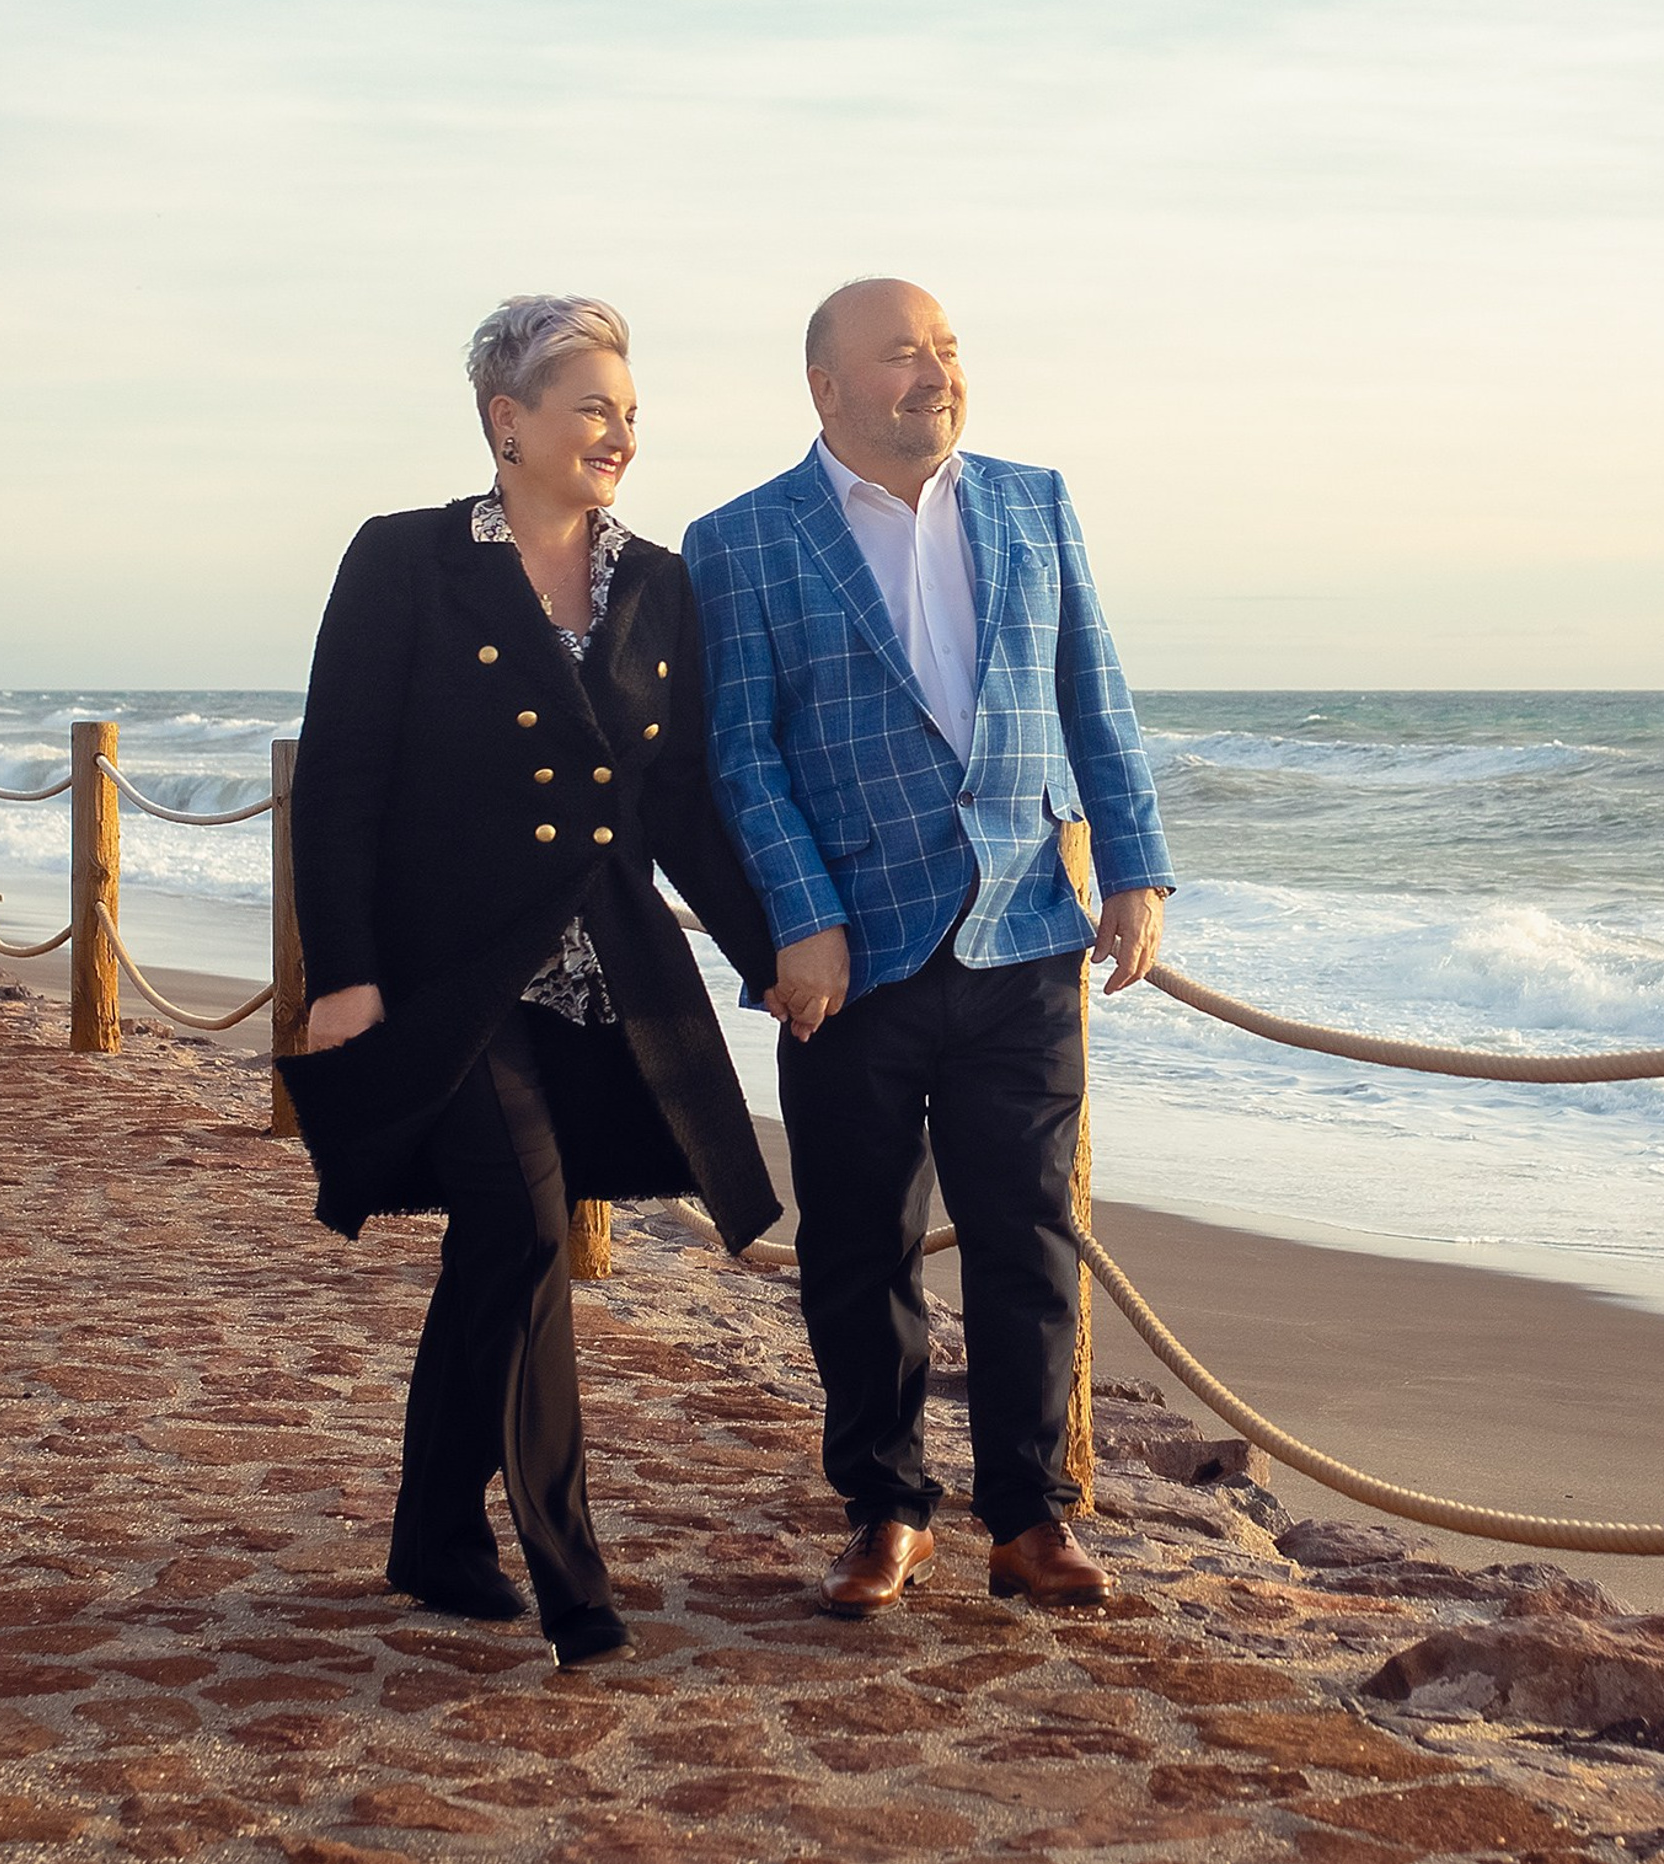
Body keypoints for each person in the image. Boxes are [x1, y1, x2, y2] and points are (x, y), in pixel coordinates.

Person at [278, 294, 783, 1668]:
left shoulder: (659, 582)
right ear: (508, 421)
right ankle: (572, 1582)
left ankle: (434, 1526)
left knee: (516, 1239)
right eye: (593, 406)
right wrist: (346, 975)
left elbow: (674, 802)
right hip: (449, 980)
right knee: (518, 1224)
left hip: (601, 982)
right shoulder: (405, 562)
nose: (622, 430)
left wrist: (774, 952)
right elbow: (339, 785)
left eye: (630, 409)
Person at [684, 277, 1173, 1617]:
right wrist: (804, 918)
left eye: (947, 349)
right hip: (848, 961)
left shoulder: (1033, 501)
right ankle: (886, 1510)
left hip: (1022, 933)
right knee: (856, 1248)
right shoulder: (740, 540)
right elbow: (742, 749)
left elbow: (1095, 694)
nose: (933, 373)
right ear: (827, 386)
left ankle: (1032, 1519)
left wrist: (1133, 866)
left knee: (1027, 1241)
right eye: (901, 355)